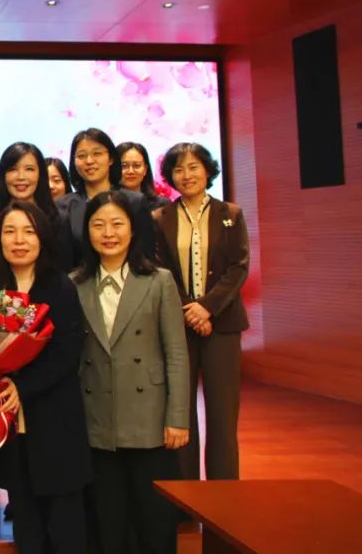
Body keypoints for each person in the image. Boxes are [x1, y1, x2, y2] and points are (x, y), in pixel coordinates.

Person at [72, 191, 189, 554]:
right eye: (98, 225)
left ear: (133, 229)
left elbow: (176, 353)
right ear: (87, 231)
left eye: (117, 224)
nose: (108, 233)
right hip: (97, 418)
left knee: (154, 523)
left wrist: (178, 417)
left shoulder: (159, 281)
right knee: (108, 522)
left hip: (149, 418)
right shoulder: (74, 283)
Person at [0, 202, 92, 554]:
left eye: (28, 232)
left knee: (65, 526)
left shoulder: (60, 287)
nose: (19, 240)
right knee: (26, 521)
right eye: (10, 232)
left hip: (56, 418)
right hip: (12, 423)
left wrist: (22, 386)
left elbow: (67, 352)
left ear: (43, 238)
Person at [153, 143, 249, 482]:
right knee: (180, 412)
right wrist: (189, 311)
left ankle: (224, 495)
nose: (186, 175)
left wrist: (207, 308)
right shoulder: (160, 218)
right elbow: (161, 270)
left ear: (207, 170)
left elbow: (238, 267)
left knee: (223, 416)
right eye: (178, 169)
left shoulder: (231, 213)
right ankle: (184, 496)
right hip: (179, 325)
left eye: (193, 167)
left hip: (223, 324)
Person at [55, 129, 153, 269]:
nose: (89, 161)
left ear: (111, 158)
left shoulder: (135, 202)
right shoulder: (62, 206)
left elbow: (146, 256)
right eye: (81, 156)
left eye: (97, 153)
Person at [0, 143, 74, 272]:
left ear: (40, 174)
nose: (21, 177)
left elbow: (65, 267)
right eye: (13, 169)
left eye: (29, 169)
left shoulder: (59, 219)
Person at [117, 142, 170, 211]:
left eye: (137, 165)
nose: (130, 171)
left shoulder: (161, 205)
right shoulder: (107, 201)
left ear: (145, 169)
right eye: (124, 166)